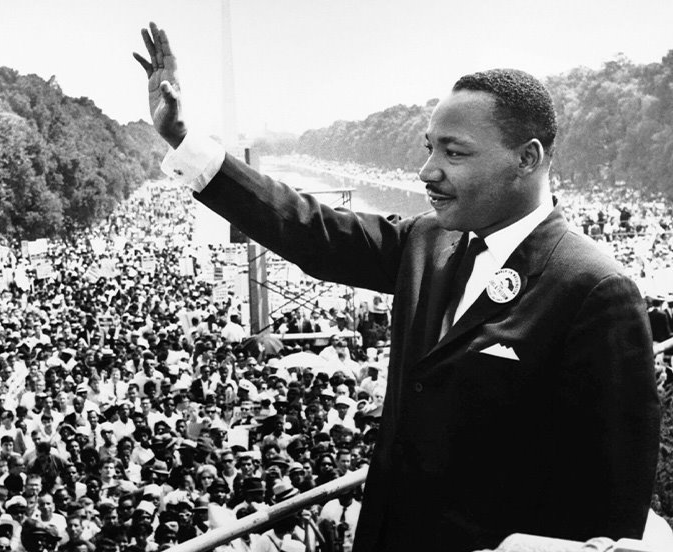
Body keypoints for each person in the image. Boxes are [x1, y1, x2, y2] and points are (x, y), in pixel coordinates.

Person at [134, 22, 661, 552]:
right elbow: (306, 227)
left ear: (527, 158)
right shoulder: (426, 240)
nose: (426, 171)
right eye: (429, 148)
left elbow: (609, 504)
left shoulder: (596, 289)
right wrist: (185, 140)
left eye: (454, 153)